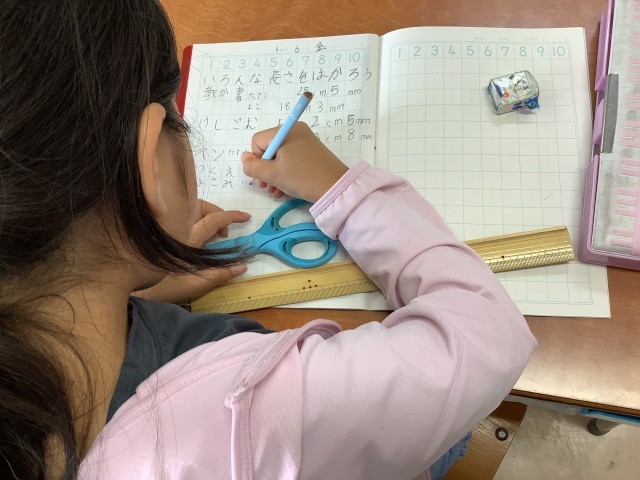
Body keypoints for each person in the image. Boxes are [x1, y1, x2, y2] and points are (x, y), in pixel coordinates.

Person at [0, 1, 537, 479]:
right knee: (451, 434)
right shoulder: (246, 414)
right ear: (151, 171)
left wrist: (128, 279)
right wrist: (341, 189)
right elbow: (486, 336)